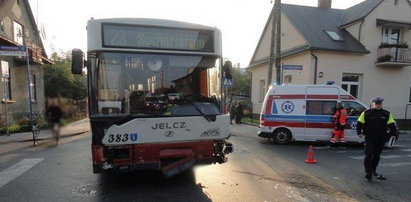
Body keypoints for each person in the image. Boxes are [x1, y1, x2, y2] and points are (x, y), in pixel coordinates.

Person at [356, 97, 398, 181]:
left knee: (377, 155)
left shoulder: (386, 113)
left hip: (381, 137)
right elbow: (359, 123)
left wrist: (394, 134)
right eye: (376, 104)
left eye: (379, 104)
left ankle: (373, 170)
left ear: (381, 104)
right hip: (369, 137)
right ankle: (368, 173)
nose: (378, 105)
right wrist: (359, 132)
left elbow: (392, 124)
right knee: (368, 154)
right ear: (373, 104)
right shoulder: (366, 113)